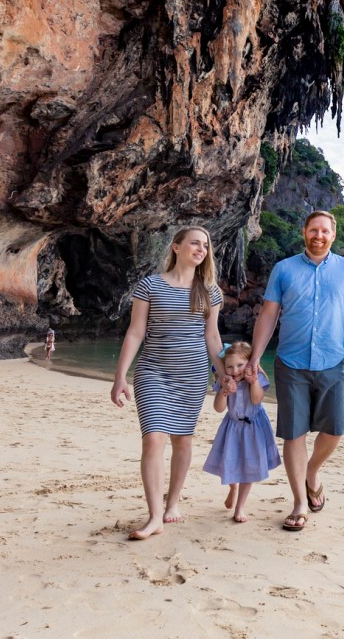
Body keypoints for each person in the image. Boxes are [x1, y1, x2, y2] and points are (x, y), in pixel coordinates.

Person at [245, 210, 344, 532]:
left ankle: (312, 472)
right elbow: (269, 314)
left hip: (333, 361)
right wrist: (255, 356)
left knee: (336, 430)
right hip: (291, 363)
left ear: (334, 234)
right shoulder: (284, 270)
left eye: (325, 231)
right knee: (294, 433)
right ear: (304, 232)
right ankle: (300, 502)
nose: (319, 236)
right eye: (313, 230)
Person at [110, 226, 225, 540]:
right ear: (176, 247)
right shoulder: (149, 286)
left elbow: (212, 337)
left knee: (183, 441)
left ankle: (173, 503)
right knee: (153, 439)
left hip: (192, 377)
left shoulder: (210, 291)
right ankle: (155, 516)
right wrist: (120, 377)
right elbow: (135, 332)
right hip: (153, 373)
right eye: (194, 243)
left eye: (205, 245)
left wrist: (223, 374)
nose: (201, 249)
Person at [203, 341, 281, 523]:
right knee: (229, 462)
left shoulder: (257, 379)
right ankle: (233, 487)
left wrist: (253, 382)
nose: (235, 370)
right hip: (232, 428)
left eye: (240, 365)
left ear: (249, 364)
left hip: (253, 427)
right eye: (229, 367)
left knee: (249, 468)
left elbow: (256, 400)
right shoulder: (225, 382)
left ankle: (240, 507)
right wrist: (223, 392)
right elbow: (218, 409)